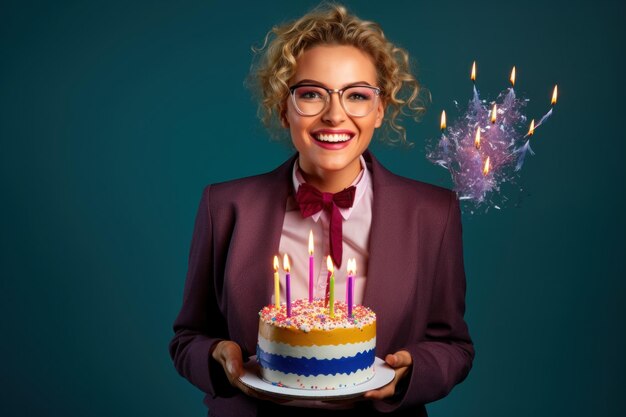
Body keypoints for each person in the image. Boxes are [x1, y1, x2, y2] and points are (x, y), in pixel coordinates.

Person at [169, 3, 474, 417]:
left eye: (357, 96)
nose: (334, 114)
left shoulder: (432, 213)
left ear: (380, 110)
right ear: (284, 107)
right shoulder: (225, 206)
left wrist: (413, 372)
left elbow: (453, 345)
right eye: (311, 93)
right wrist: (218, 357)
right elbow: (188, 337)